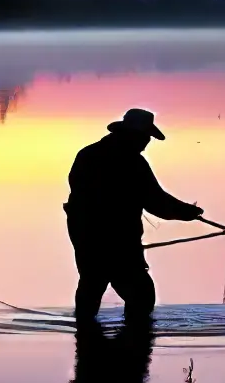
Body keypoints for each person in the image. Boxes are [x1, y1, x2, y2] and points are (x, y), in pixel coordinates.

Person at [64, 108, 203, 323]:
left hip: (85, 235)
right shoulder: (133, 163)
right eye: (146, 136)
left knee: (91, 283)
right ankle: (132, 343)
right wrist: (187, 212)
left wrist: (183, 211)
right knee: (141, 295)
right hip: (117, 240)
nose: (147, 142)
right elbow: (156, 202)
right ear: (133, 135)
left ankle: (86, 340)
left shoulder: (88, 154)